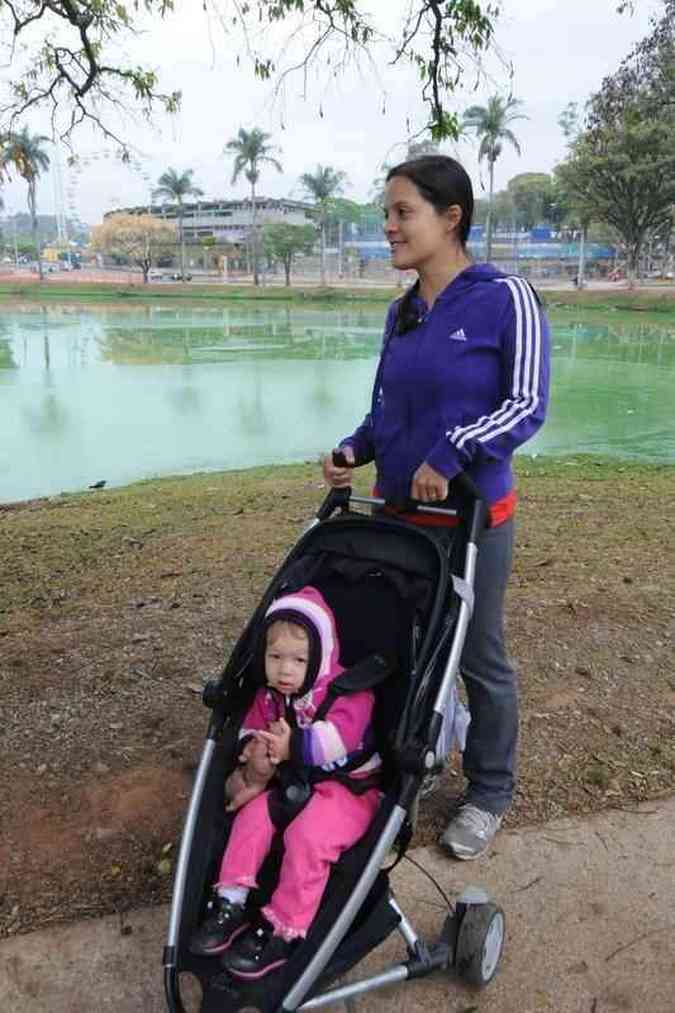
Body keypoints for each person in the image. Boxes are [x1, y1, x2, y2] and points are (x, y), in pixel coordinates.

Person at [322, 155, 550, 861]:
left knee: (476, 656)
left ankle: (488, 791)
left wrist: (447, 456)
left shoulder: (505, 296)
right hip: (398, 517)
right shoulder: (402, 312)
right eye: (385, 214)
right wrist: (352, 449)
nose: (387, 227)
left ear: (450, 218)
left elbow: (525, 403)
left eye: (401, 213)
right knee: (401, 650)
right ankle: (404, 771)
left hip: (472, 519)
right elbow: (385, 410)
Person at [189, 586, 381, 978]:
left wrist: (293, 745)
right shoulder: (272, 695)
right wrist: (251, 751)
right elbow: (252, 727)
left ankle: (286, 928)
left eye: (298, 659)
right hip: (291, 781)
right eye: (275, 657)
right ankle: (230, 899)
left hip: (350, 788)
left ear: (321, 657)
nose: (286, 670)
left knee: (308, 837)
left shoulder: (350, 692)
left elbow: (339, 740)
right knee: (253, 817)